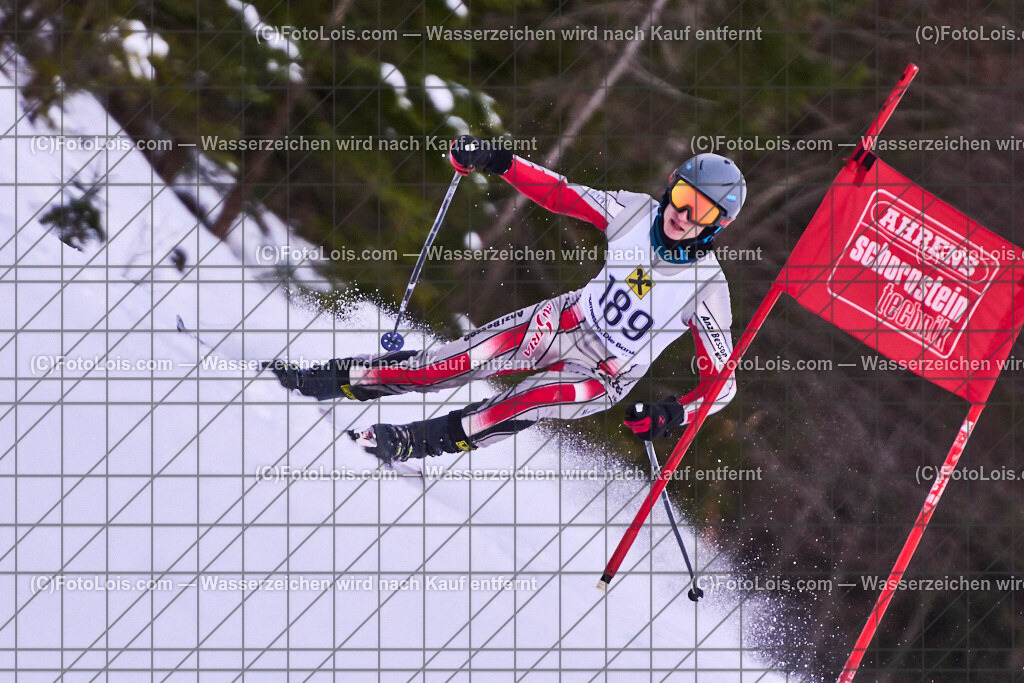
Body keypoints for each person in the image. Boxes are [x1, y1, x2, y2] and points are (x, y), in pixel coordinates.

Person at [266, 135, 746, 462]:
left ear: (716, 225)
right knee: (448, 364)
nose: (683, 214)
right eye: (682, 196)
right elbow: (562, 195)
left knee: (523, 402)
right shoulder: (635, 212)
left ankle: (412, 441)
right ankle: (322, 380)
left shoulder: (706, 288)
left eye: (701, 211)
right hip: (564, 319)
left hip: (605, 373)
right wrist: (498, 161)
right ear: (671, 186)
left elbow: (722, 387)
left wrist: (671, 413)